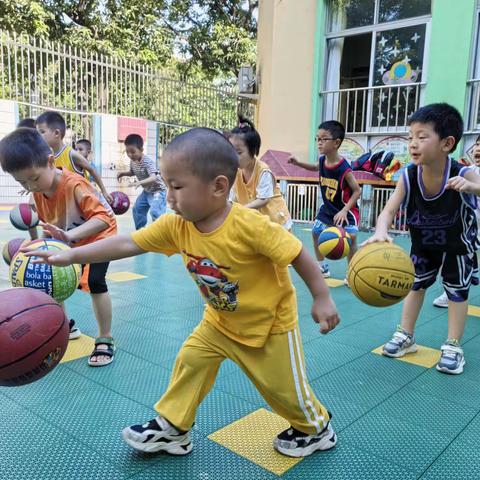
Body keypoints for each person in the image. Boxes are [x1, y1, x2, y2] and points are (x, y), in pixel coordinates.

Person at [26, 127, 340, 458]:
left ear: (219, 186)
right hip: (220, 321)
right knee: (190, 362)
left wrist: (321, 296)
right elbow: (127, 242)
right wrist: (72, 253)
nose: (169, 196)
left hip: (269, 324)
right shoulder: (178, 225)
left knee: (282, 389)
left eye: (177, 187)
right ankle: (173, 428)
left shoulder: (250, 226)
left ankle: (316, 428)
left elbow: (297, 253)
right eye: (167, 184)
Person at [364, 103, 480, 375]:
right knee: (414, 286)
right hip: (424, 242)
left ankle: (452, 345)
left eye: (422, 136)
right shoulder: (408, 175)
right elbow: (389, 210)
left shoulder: (461, 172)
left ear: (447, 143)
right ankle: (406, 335)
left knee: (456, 291)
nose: (413, 144)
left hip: (457, 243)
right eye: (410, 137)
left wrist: (472, 186)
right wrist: (381, 231)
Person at [0, 128, 118, 367]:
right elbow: (48, 227)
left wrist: (69, 235)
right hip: (70, 240)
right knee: (49, 279)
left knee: (95, 282)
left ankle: (105, 338)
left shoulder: (75, 185)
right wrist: (37, 246)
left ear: (51, 162)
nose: (30, 185)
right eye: (21, 182)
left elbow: (103, 219)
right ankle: (63, 325)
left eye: (34, 178)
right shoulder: (38, 193)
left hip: (100, 238)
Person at [288, 121, 361, 281]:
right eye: (317, 139)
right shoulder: (322, 161)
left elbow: (357, 191)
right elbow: (315, 167)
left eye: (323, 139)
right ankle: (322, 266)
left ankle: (352, 273)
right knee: (316, 232)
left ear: (336, 143)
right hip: (328, 208)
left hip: (346, 209)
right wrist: (298, 162)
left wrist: (344, 210)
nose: (319, 142)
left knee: (351, 239)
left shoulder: (344, 168)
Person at [433, 134, 480, 308]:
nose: (478, 149)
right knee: (454, 259)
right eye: (477, 145)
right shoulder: (467, 170)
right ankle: (449, 292)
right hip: (468, 226)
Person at [35, 111, 113, 204]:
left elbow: (92, 170)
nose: (38, 137)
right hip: (65, 203)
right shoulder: (48, 158)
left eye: (42, 132)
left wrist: (103, 191)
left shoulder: (71, 154)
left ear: (56, 133)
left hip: (82, 202)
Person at [229, 116, 292, 230]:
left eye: (238, 152)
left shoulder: (263, 171)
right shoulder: (236, 172)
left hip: (276, 223)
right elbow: (232, 197)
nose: (234, 157)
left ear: (253, 151)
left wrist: (241, 210)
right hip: (258, 225)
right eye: (231, 151)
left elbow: (264, 200)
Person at [116, 133, 167, 229]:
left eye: (133, 151)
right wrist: (123, 173)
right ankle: (140, 231)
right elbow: (133, 172)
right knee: (137, 209)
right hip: (147, 192)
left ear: (141, 150)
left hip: (158, 191)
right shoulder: (133, 161)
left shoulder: (147, 162)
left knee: (155, 212)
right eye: (127, 152)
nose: (130, 155)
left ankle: (162, 233)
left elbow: (154, 177)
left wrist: (139, 182)